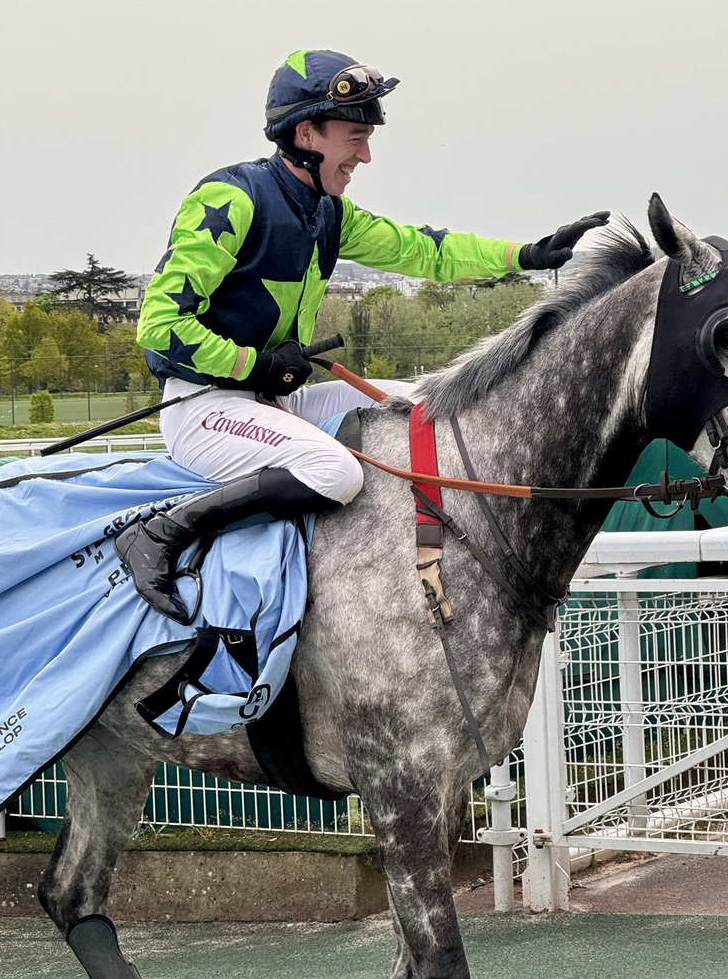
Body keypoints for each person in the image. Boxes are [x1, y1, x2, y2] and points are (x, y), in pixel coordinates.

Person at [115, 47, 608, 623]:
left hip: (274, 403)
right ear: (306, 134)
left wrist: (524, 255)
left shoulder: (329, 212)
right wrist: (254, 366)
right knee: (336, 473)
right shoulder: (231, 199)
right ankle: (160, 533)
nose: (365, 156)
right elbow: (160, 328)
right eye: (355, 138)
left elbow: (422, 249)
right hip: (204, 410)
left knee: (420, 404)